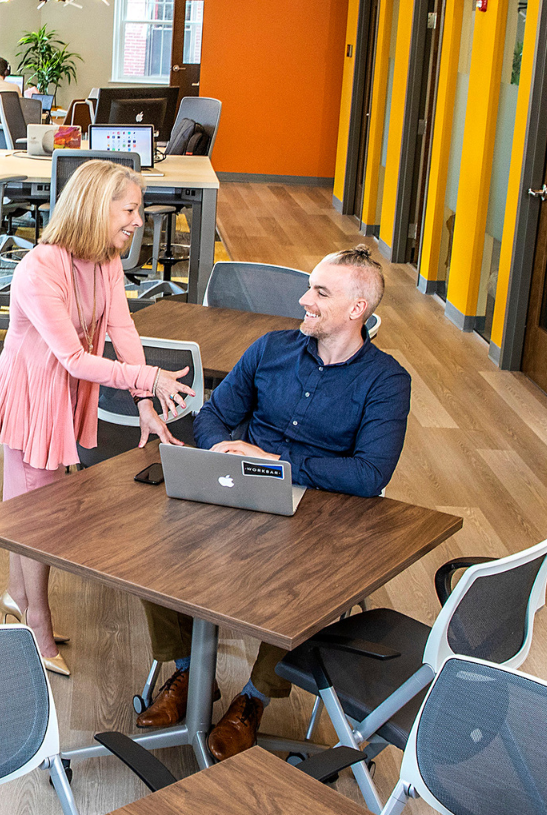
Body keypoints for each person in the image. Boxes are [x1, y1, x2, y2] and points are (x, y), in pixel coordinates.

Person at [133, 245, 412, 761]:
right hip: (240, 483)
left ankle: (254, 699)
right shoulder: (270, 349)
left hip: (321, 508)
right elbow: (214, 415)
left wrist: (275, 460)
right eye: (309, 288)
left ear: (357, 309)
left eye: (320, 292)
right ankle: (191, 673)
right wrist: (222, 448)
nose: (304, 300)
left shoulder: (387, 381)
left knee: (306, 583)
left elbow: (370, 474)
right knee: (155, 549)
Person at [0, 159, 195, 677]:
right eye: (130, 209)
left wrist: (144, 404)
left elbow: (122, 330)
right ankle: (36, 622)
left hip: (63, 388)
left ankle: (17, 595)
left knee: (27, 503)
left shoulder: (105, 261)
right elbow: (74, 358)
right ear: (97, 207)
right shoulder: (40, 269)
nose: (139, 221)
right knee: (38, 514)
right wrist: (149, 379)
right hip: (34, 391)